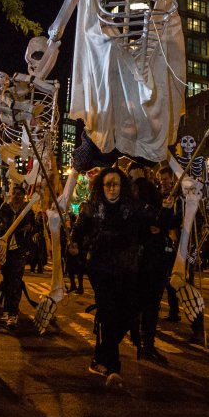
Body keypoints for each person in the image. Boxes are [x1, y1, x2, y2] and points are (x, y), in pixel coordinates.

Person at [71, 166, 145, 388]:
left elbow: (150, 216)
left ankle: (101, 354)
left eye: (115, 184)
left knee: (128, 314)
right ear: (101, 186)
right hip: (100, 269)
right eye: (108, 184)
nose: (112, 188)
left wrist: (166, 212)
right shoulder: (92, 208)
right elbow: (79, 227)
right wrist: (74, 242)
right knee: (108, 313)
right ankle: (113, 368)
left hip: (125, 269)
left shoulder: (130, 208)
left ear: (122, 186)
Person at [132, 165, 176, 362]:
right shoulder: (142, 192)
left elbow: (166, 222)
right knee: (147, 302)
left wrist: (164, 217)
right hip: (147, 257)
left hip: (152, 256)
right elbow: (159, 220)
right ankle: (144, 343)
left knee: (146, 302)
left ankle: (143, 343)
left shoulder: (151, 194)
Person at [0, 184, 37, 330]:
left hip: (20, 248)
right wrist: (0, 227)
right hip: (5, 248)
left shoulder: (27, 211)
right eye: (15, 193)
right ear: (11, 194)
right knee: (7, 279)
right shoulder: (4, 209)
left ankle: (13, 313)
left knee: (15, 280)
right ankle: (6, 310)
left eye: (20, 193)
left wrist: (30, 229)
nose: (17, 196)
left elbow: (34, 227)